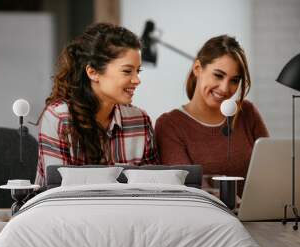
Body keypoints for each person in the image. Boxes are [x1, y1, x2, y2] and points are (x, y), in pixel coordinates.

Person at [35, 23, 159, 186]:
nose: (137, 80)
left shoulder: (139, 120)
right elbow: (59, 195)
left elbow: (154, 188)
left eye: (138, 71)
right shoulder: (59, 118)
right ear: (93, 72)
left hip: (129, 210)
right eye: (127, 71)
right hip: (66, 210)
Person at [155, 35, 269, 196]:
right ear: (197, 69)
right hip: (207, 218)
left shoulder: (247, 113)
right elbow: (186, 189)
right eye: (218, 75)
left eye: (234, 80)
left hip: (259, 216)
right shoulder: (170, 125)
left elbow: (272, 171)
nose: (225, 88)